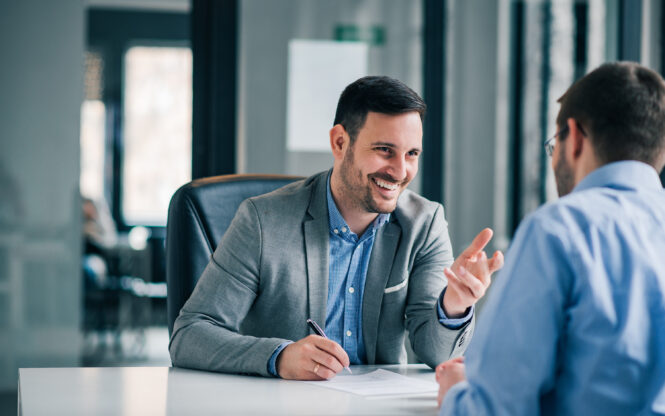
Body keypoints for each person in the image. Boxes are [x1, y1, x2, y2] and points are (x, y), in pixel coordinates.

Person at [170, 76, 503, 380]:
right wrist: (280, 357)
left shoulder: (424, 224)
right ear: (341, 143)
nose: (400, 171)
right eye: (385, 150)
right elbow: (189, 335)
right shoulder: (262, 220)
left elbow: (436, 353)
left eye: (412, 154)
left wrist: (455, 305)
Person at [437, 62, 665, 415]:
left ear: (573, 136)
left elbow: (497, 409)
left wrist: (457, 395)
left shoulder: (559, 229)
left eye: (552, 144)